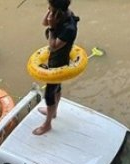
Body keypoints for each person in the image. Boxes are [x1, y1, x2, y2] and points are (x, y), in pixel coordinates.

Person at [33, 0, 80, 135]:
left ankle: (47, 124)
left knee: (49, 95)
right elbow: (44, 23)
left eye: (51, 6)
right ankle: (53, 112)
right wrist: (50, 13)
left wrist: (53, 28)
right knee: (56, 88)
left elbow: (53, 46)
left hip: (59, 61)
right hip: (53, 59)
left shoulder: (69, 28)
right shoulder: (58, 14)